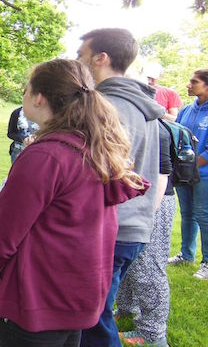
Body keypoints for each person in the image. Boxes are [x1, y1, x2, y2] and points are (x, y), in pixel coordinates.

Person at [0, 59, 148, 347]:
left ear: (39, 97)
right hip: (75, 297)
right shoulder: (93, 148)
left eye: (26, 89)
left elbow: (6, 234)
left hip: (36, 301)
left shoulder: (47, 157)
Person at [77, 28, 164, 347]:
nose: (77, 61)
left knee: (92, 319)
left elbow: (97, 172)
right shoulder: (142, 103)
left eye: (81, 55)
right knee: (96, 313)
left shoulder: (107, 105)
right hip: (134, 226)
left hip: (110, 228)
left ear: (100, 59)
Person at [114, 121, 174, 347]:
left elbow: (162, 174)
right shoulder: (133, 119)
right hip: (134, 199)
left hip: (153, 203)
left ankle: (153, 334)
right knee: (129, 263)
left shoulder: (154, 127)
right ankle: (127, 308)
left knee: (149, 268)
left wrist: (149, 213)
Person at [168, 69, 208, 280]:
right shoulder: (185, 110)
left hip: (204, 175)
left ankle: (207, 263)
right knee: (187, 215)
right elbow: (176, 138)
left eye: (194, 81)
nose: (189, 85)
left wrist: (191, 167)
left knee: (204, 216)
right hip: (183, 174)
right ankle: (186, 255)